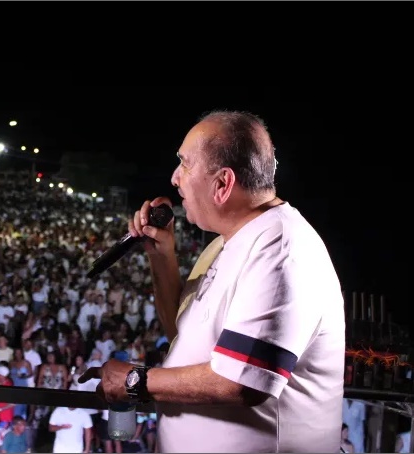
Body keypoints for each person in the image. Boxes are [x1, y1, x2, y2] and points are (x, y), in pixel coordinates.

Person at [80, 110, 345, 452]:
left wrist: (134, 381)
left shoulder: (282, 248)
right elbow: (181, 335)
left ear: (222, 184)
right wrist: (161, 256)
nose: (174, 178)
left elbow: (242, 381)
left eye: (185, 164)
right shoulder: (226, 243)